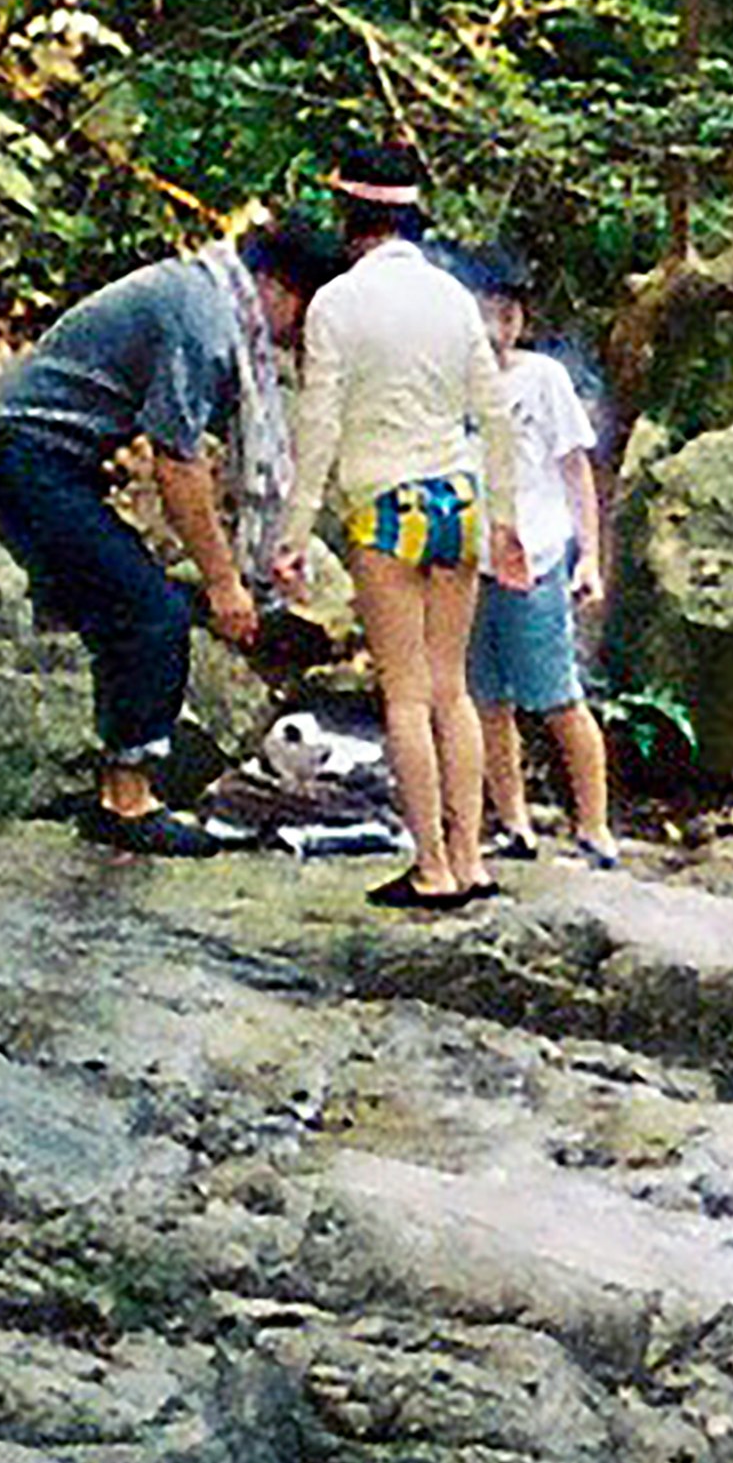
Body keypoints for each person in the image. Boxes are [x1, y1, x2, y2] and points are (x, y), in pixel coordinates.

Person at [0, 205, 339, 841]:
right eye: (306, 317)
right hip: (25, 458)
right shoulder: (206, 322)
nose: (298, 336)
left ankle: (118, 785)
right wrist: (225, 583)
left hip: (41, 459)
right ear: (280, 288)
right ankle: (125, 804)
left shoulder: (206, 293)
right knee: (151, 613)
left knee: (132, 607)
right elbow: (177, 463)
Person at [288, 161, 510, 915]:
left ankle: (432, 868)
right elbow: (495, 411)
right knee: (454, 689)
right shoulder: (453, 298)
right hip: (461, 500)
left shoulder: (336, 304)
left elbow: (317, 425)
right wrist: (504, 518)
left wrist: (293, 530)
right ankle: (474, 858)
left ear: (347, 215)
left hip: (385, 503)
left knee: (406, 696)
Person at [465, 251, 618, 865]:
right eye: (484, 315)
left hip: (537, 552)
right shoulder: (453, 383)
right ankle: (514, 823)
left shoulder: (544, 379)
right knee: (485, 700)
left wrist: (591, 558)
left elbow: (576, 469)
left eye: (505, 316)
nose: (495, 328)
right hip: (470, 558)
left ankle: (594, 826)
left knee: (557, 695)